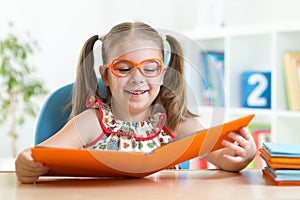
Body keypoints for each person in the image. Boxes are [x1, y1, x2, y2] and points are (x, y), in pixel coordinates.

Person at [15, 22, 256, 183]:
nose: (138, 78)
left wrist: (243, 156)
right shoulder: (92, 122)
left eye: (150, 68)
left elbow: (224, 160)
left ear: (162, 74)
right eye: (123, 68)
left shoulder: (174, 122)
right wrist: (24, 164)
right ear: (107, 75)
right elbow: (38, 155)